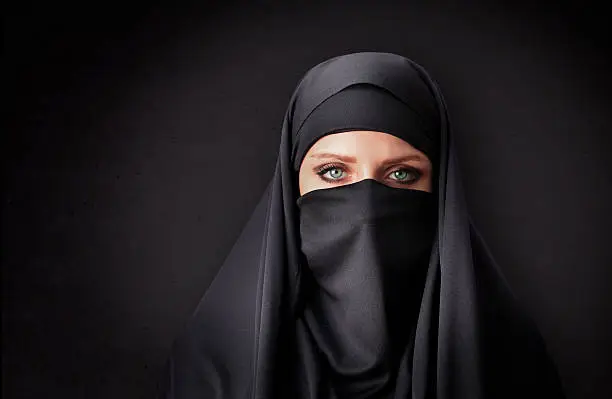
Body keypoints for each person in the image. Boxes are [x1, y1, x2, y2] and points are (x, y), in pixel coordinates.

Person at [160, 52, 565, 398]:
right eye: (334, 173)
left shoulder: (507, 358)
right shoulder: (216, 359)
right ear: (291, 184)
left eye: (402, 175)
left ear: (441, 188)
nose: (367, 211)